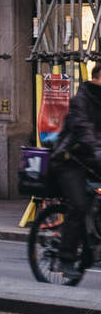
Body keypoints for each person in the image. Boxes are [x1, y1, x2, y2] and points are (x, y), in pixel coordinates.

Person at [50, 61, 101, 284]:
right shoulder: (82, 100)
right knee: (79, 205)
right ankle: (66, 258)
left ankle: (91, 245)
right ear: (97, 76)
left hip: (92, 161)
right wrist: (97, 149)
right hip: (69, 160)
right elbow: (83, 128)